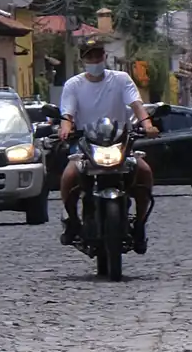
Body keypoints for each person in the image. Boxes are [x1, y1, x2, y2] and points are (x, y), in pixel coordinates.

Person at [58, 38, 155, 252]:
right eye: (90, 56)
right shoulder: (73, 85)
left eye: (98, 55)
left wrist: (147, 123)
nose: (95, 60)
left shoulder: (121, 79)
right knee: (68, 177)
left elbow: (136, 104)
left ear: (105, 56)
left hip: (120, 144)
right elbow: (67, 113)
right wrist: (65, 127)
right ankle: (73, 221)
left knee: (144, 172)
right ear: (82, 60)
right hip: (86, 146)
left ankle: (139, 224)